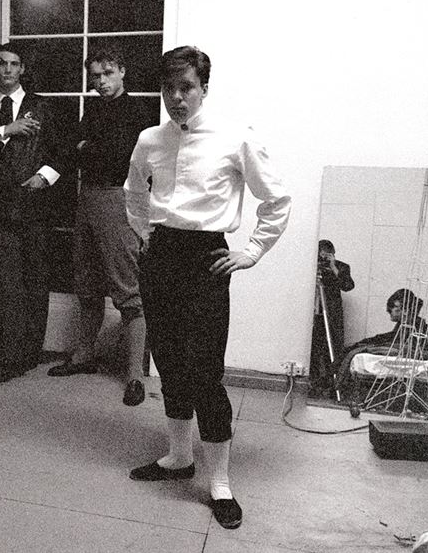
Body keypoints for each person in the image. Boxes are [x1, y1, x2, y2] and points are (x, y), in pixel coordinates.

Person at [124, 46, 291, 530]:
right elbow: (135, 192)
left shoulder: (236, 138)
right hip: (162, 257)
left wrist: (251, 251)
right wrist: (143, 232)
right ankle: (179, 457)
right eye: (168, 88)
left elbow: (276, 199)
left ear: (203, 89)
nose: (177, 98)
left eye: (187, 88)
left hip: (206, 260)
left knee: (204, 371)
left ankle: (219, 482)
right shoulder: (149, 139)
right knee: (171, 362)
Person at [46, 47, 149, 407]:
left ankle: (136, 375)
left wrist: (87, 147)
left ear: (122, 71)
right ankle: (83, 355)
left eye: (107, 74)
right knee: (87, 283)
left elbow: (119, 154)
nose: (100, 81)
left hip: (117, 200)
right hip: (87, 197)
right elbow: (73, 150)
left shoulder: (137, 111)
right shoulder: (93, 108)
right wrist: (86, 148)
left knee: (128, 289)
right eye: (95, 76)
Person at [0, 42, 62, 384]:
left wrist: (45, 177)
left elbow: (60, 152)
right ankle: (9, 356)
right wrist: (7, 130)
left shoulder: (42, 108)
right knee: (7, 283)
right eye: (2, 64)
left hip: (36, 207)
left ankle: (30, 354)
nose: (8, 70)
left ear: (22, 69)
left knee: (36, 281)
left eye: (14, 64)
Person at [335, 288, 428, 398]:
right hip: (399, 346)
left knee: (357, 349)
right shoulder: (409, 324)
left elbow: (404, 345)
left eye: (392, 309)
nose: (390, 313)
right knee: (358, 347)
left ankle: (337, 386)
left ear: (402, 309)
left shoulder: (413, 325)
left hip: (403, 349)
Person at [309, 239, 355, 398]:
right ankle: (313, 384)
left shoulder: (342, 267)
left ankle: (332, 386)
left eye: (326, 255)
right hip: (314, 314)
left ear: (332, 254)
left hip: (332, 315)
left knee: (333, 350)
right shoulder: (310, 266)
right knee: (314, 350)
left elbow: (348, 286)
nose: (322, 259)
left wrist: (333, 267)